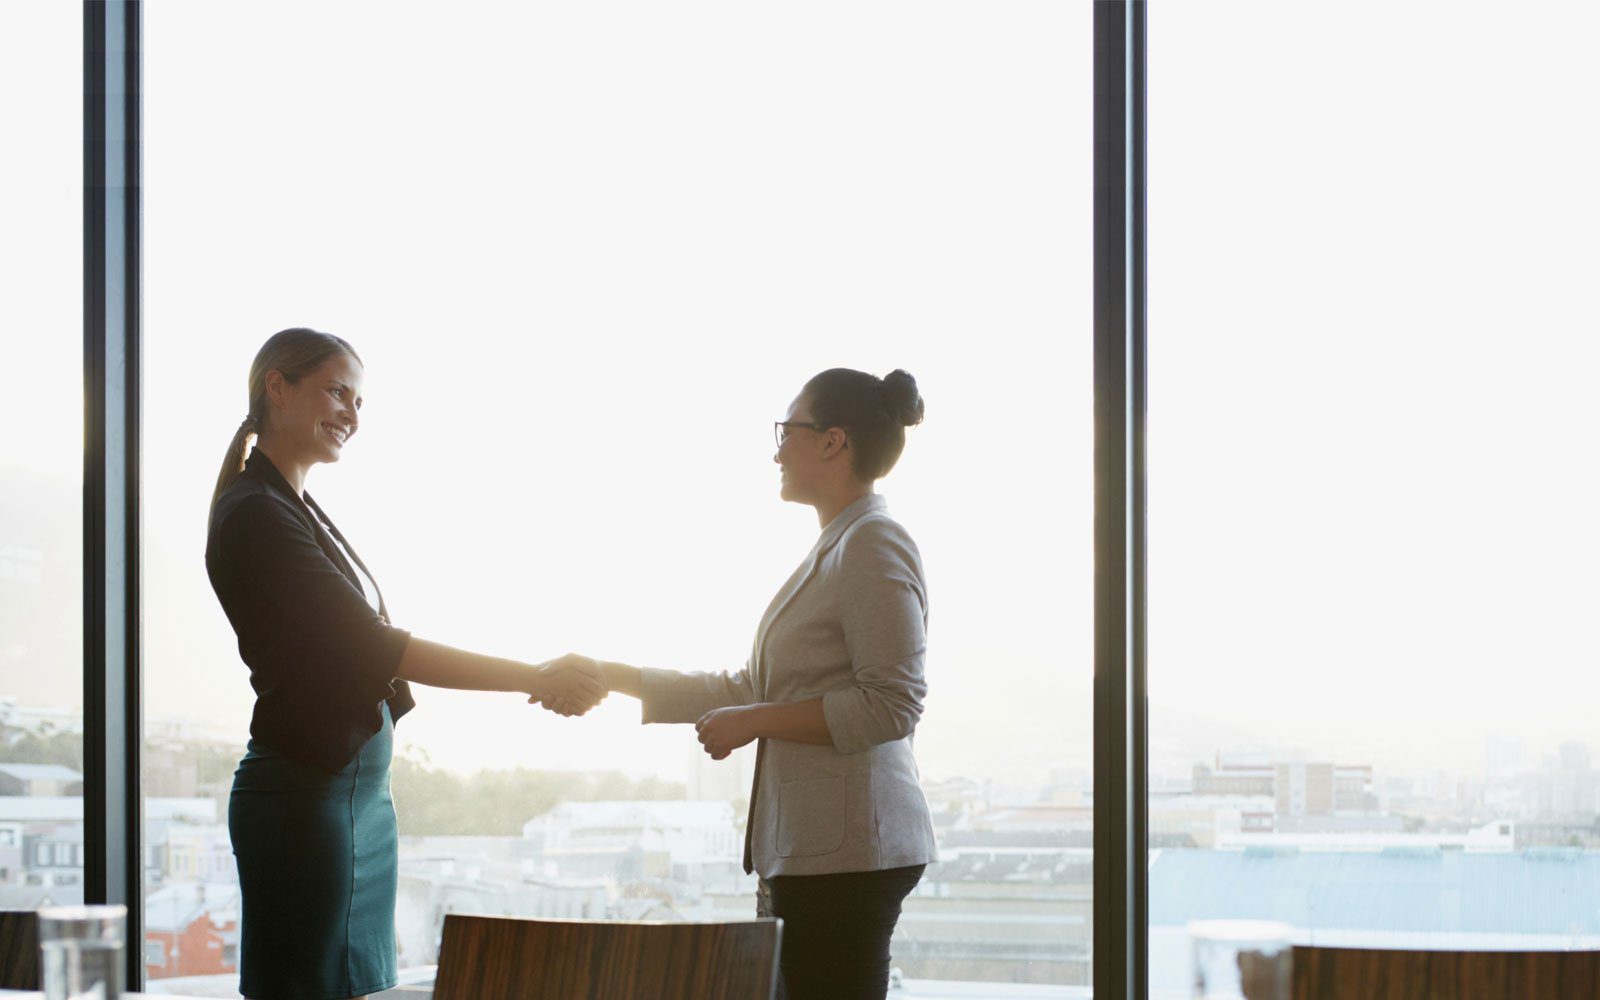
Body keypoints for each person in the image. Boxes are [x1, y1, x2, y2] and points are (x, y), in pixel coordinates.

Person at [205, 327, 602, 1000]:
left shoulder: (293, 508)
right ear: (278, 385)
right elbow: (374, 646)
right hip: (305, 799)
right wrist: (533, 677)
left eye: (360, 402)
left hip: (356, 799)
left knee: (361, 987)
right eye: (337, 392)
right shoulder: (255, 513)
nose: (352, 417)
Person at [556, 367, 938, 1000]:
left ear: (831, 442)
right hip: (820, 850)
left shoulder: (872, 541)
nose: (777, 449)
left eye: (788, 430)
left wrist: (754, 720)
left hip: (850, 857)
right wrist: (615, 676)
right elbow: (753, 683)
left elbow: (892, 703)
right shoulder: (841, 543)